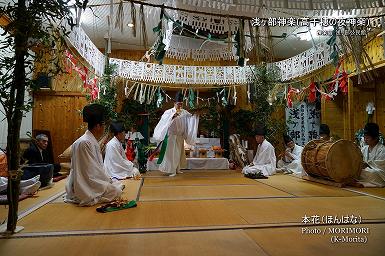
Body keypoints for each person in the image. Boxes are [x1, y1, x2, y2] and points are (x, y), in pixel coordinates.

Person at [65, 103, 123, 206]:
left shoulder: (88, 140)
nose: (104, 128)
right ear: (97, 126)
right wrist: (106, 181)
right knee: (116, 191)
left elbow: (94, 169)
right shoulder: (85, 142)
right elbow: (91, 172)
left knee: (116, 185)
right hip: (85, 186)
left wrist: (107, 180)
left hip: (85, 181)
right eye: (103, 125)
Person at [153, 91, 199, 177]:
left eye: (181, 104)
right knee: (171, 154)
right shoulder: (168, 112)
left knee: (179, 153)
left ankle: (177, 168)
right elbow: (164, 121)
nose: (180, 106)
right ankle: (171, 170)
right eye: (178, 104)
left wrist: (195, 116)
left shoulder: (184, 112)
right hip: (171, 136)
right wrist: (173, 116)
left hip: (179, 136)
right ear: (174, 103)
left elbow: (190, 119)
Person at [357, 123, 385, 187]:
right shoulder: (364, 148)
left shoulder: (382, 150)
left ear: (375, 138)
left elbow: (381, 168)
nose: (365, 139)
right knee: (357, 171)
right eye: (364, 137)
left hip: (377, 174)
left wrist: (367, 164)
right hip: (365, 171)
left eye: (368, 138)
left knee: (372, 174)